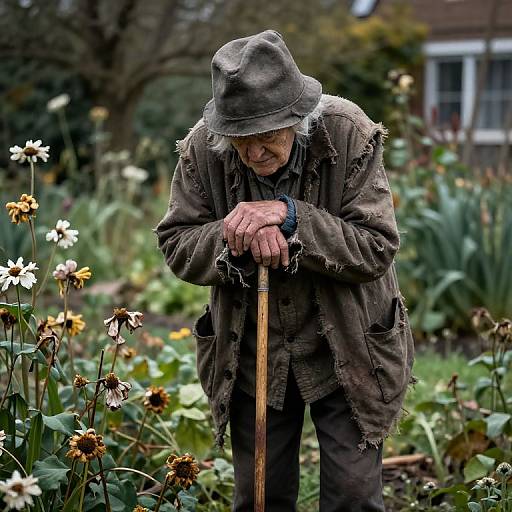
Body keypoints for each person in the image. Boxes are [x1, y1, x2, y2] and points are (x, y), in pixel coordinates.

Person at [154, 29, 415, 512]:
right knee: (261, 497)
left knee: (354, 498)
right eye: (241, 140)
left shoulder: (347, 132)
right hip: (255, 348)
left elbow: (377, 246)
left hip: (351, 347)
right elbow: (177, 241)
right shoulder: (201, 149)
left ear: (298, 117)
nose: (254, 153)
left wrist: (291, 216)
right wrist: (235, 237)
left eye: (267, 136)